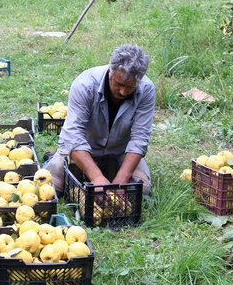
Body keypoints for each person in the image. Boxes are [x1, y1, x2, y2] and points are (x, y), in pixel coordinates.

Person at [44, 44, 155, 196]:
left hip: (119, 152)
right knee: (50, 187)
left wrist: (120, 182)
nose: (123, 92)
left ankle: (110, 172)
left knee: (142, 190)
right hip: (81, 150)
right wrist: (97, 178)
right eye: (119, 84)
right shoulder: (85, 85)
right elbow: (74, 136)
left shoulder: (146, 90)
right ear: (111, 71)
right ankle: (58, 160)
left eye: (130, 87)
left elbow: (139, 139)